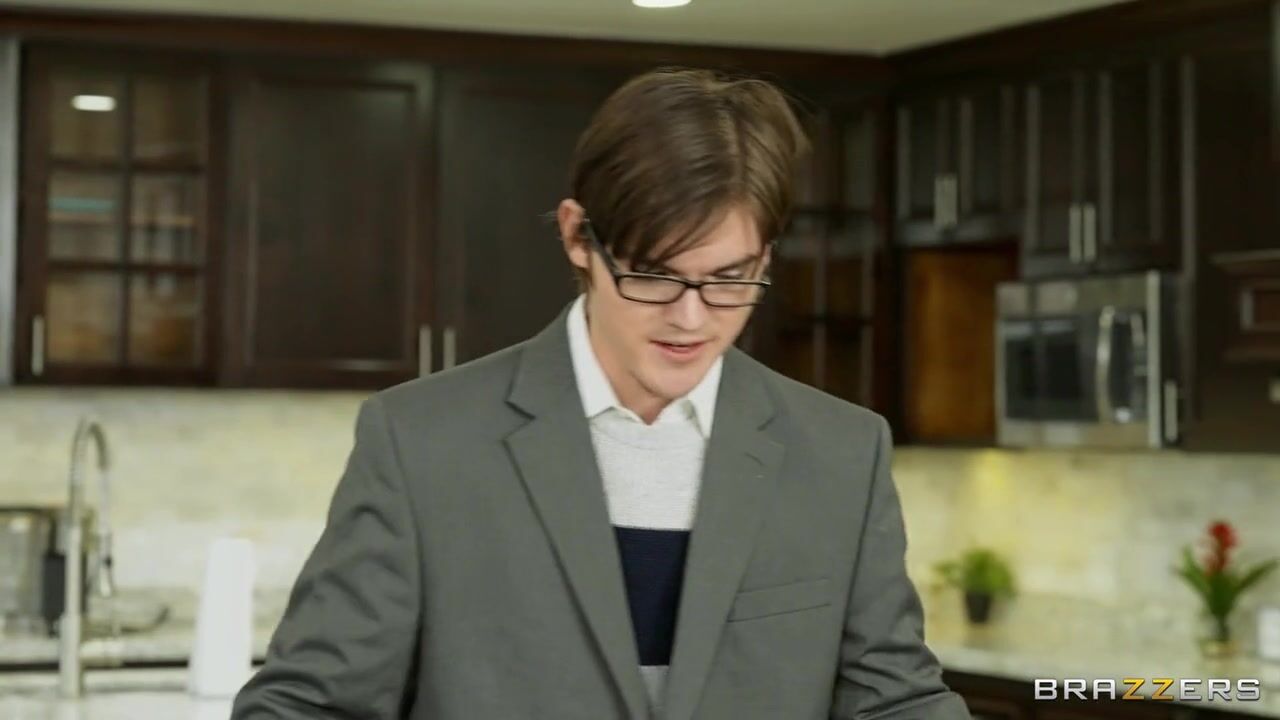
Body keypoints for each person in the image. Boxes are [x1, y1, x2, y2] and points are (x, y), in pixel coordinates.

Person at [231, 67, 969, 720]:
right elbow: (306, 705)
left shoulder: (842, 452)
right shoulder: (421, 441)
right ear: (578, 237)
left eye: (730, 278)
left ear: (765, 256)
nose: (691, 318)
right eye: (654, 274)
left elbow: (894, 700)